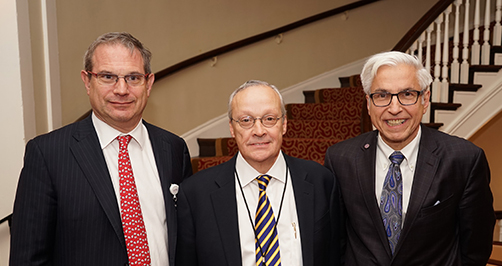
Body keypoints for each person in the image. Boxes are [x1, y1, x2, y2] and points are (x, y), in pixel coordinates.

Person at [9, 32, 192, 266]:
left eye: (133, 77)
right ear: (87, 81)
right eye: (108, 77)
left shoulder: (174, 149)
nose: (122, 89)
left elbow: (188, 241)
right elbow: (28, 258)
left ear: (149, 83)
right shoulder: (48, 154)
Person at [324, 51, 495, 265]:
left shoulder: (463, 159)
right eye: (382, 95)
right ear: (368, 103)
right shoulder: (340, 159)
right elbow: (334, 242)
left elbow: (475, 248)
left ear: (425, 99)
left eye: (407, 94)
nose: (394, 109)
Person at [176, 80, 340, 266]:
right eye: (246, 120)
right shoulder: (195, 194)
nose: (259, 131)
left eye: (269, 119)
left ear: (284, 124)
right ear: (232, 127)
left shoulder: (321, 181)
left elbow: (335, 254)